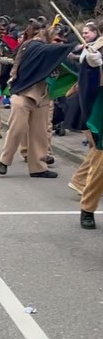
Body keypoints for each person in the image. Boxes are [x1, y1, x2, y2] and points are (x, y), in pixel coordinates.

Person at [0, 26, 79, 179]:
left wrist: (80, 54)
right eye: (57, 40)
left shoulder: (57, 52)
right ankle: (4, 160)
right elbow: (48, 51)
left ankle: (38, 167)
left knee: (39, 134)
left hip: (43, 96)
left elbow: (72, 64)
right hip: (23, 93)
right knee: (17, 129)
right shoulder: (34, 46)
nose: (59, 44)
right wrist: (72, 47)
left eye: (62, 41)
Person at [73, 19, 103, 229]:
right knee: (100, 164)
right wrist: (93, 67)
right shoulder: (96, 48)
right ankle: (88, 208)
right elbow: (88, 82)